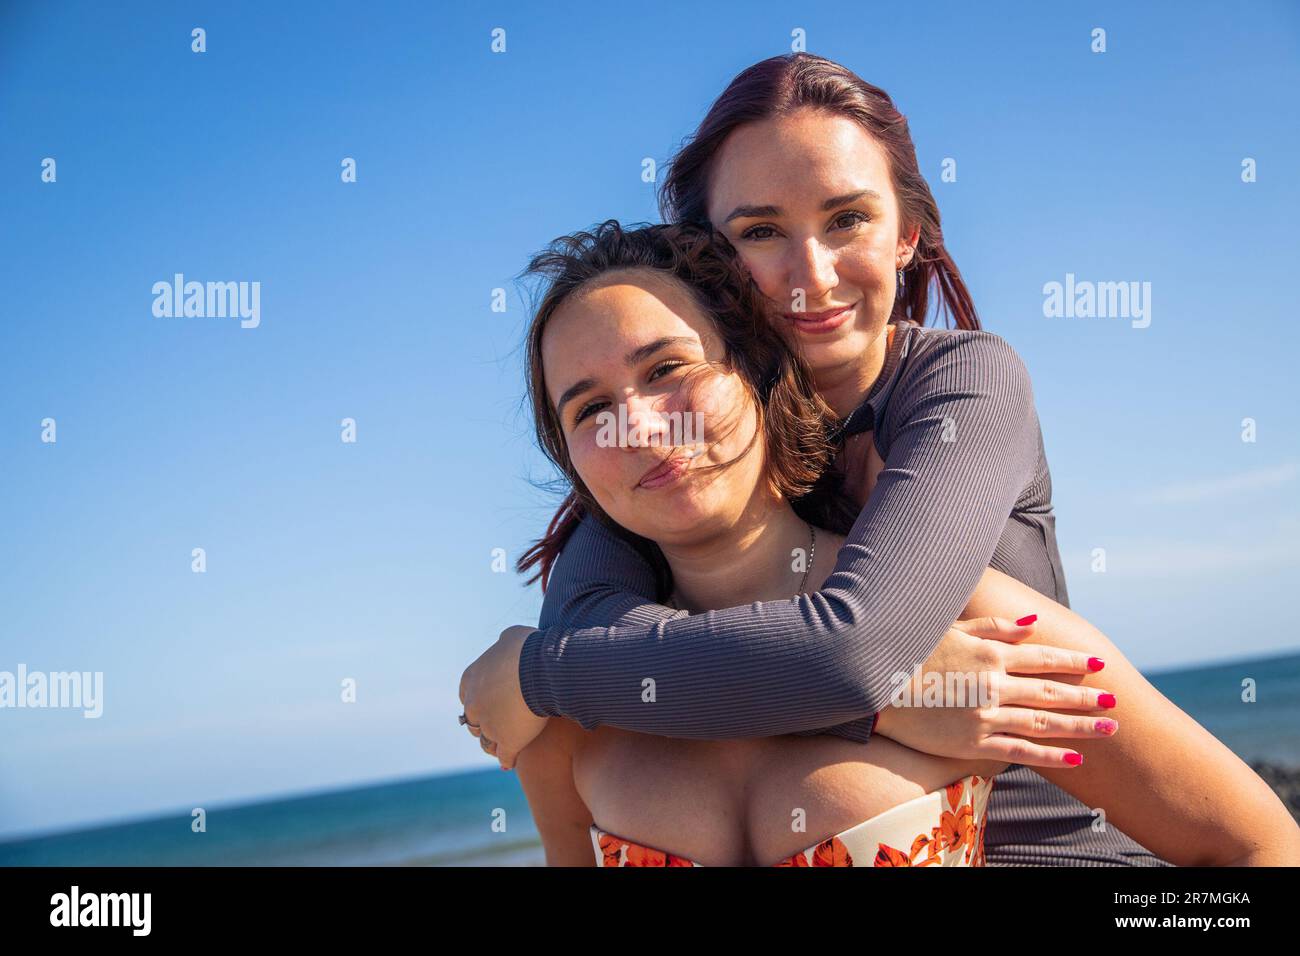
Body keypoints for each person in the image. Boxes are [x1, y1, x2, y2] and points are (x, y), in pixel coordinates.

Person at [460, 54, 1200, 864]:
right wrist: (887, 697)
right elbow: (591, 634)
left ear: (906, 234)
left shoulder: (961, 385)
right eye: (761, 231)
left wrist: (537, 675)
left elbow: (854, 650)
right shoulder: (670, 473)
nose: (809, 276)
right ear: (706, 262)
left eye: (847, 219)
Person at [495, 220, 1298, 866]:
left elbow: (1254, 847)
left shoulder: (973, 631)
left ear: (758, 367)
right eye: (589, 409)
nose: (637, 426)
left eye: (668, 367)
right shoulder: (571, 708)